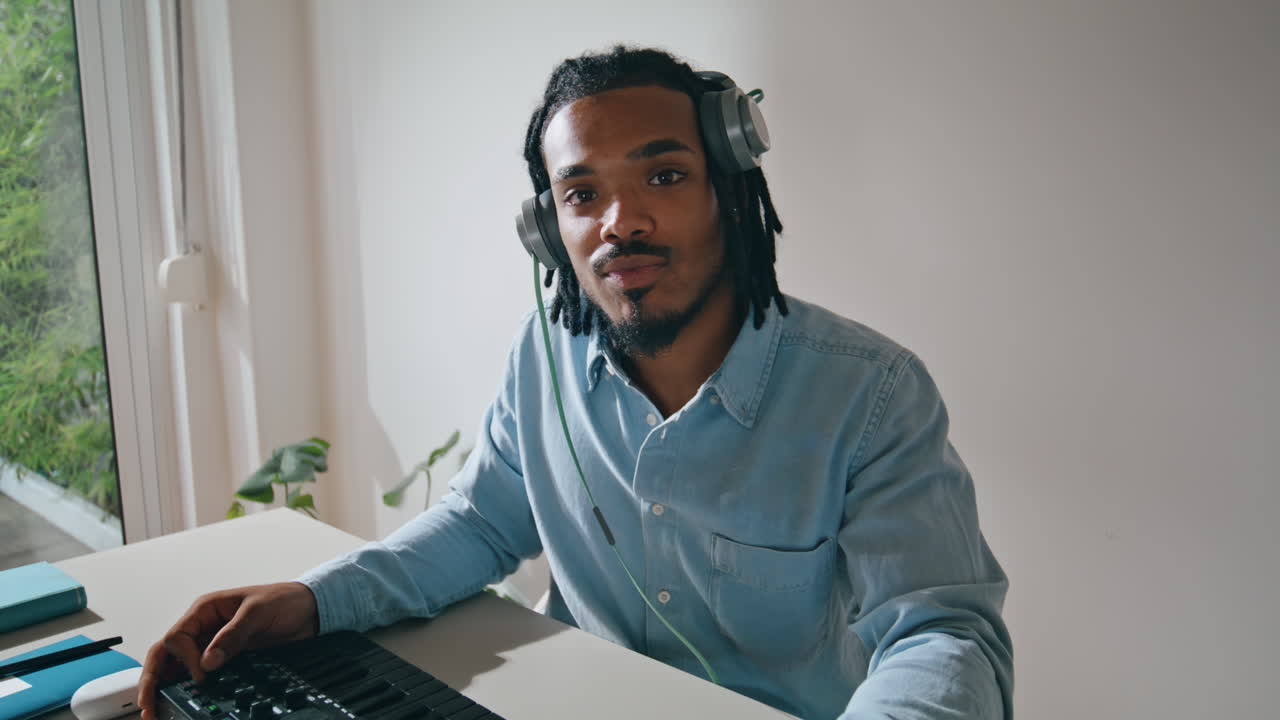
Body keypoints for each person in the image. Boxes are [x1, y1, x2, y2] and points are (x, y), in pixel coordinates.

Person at [138, 45, 1013, 720]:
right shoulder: (543, 355)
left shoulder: (871, 394)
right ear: (548, 227)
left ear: (727, 187)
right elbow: (481, 524)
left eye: (663, 176)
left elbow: (940, 632)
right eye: (581, 194)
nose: (619, 223)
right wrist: (313, 600)